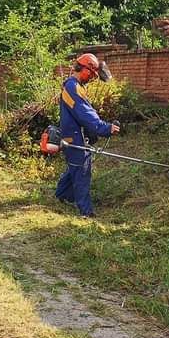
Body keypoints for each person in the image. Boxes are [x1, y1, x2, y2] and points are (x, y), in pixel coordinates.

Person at [55, 53, 119, 218]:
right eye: (91, 74)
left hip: (74, 136)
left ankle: (61, 195)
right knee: (82, 172)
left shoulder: (75, 85)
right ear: (84, 69)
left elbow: (84, 113)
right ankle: (86, 211)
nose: (92, 78)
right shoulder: (72, 87)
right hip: (74, 138)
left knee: (74, 169)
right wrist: (104, 128)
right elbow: (85, 114)